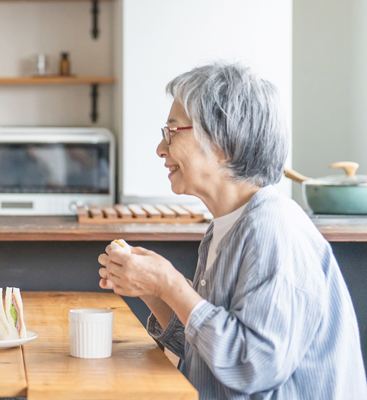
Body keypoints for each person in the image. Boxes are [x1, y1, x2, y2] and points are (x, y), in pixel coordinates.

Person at [98, 63, 367, 399]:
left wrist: (171, 284)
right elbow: (207, 349)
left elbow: (251, 365)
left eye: (173, 131)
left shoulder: (273, 229)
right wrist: (155, 290)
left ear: (225, 143)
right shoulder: (224, 228)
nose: (160, 149)